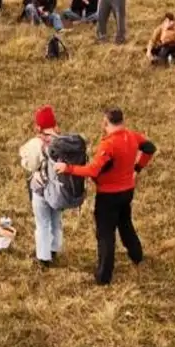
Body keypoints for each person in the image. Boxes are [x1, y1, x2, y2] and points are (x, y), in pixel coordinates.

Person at [56, 108, 156, 285]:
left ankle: (104, 276)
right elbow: (149, 148)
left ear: (106, 122)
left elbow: (93, 170)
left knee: (105, 235)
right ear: (122, 121)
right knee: (125, 224)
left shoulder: (108, 145)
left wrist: (68, 169)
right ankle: (137, 255)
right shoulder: (132, 136)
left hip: (108, 196)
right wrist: (137, 168)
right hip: (127, 191)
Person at [19, 105, 64, 268]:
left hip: (41, 189)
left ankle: (44, 257)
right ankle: (54, 249)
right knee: (56, 220)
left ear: (39, 126)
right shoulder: (62, 140)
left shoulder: (36, 143)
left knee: (42, 223)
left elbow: (31, 165)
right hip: (59, 190)